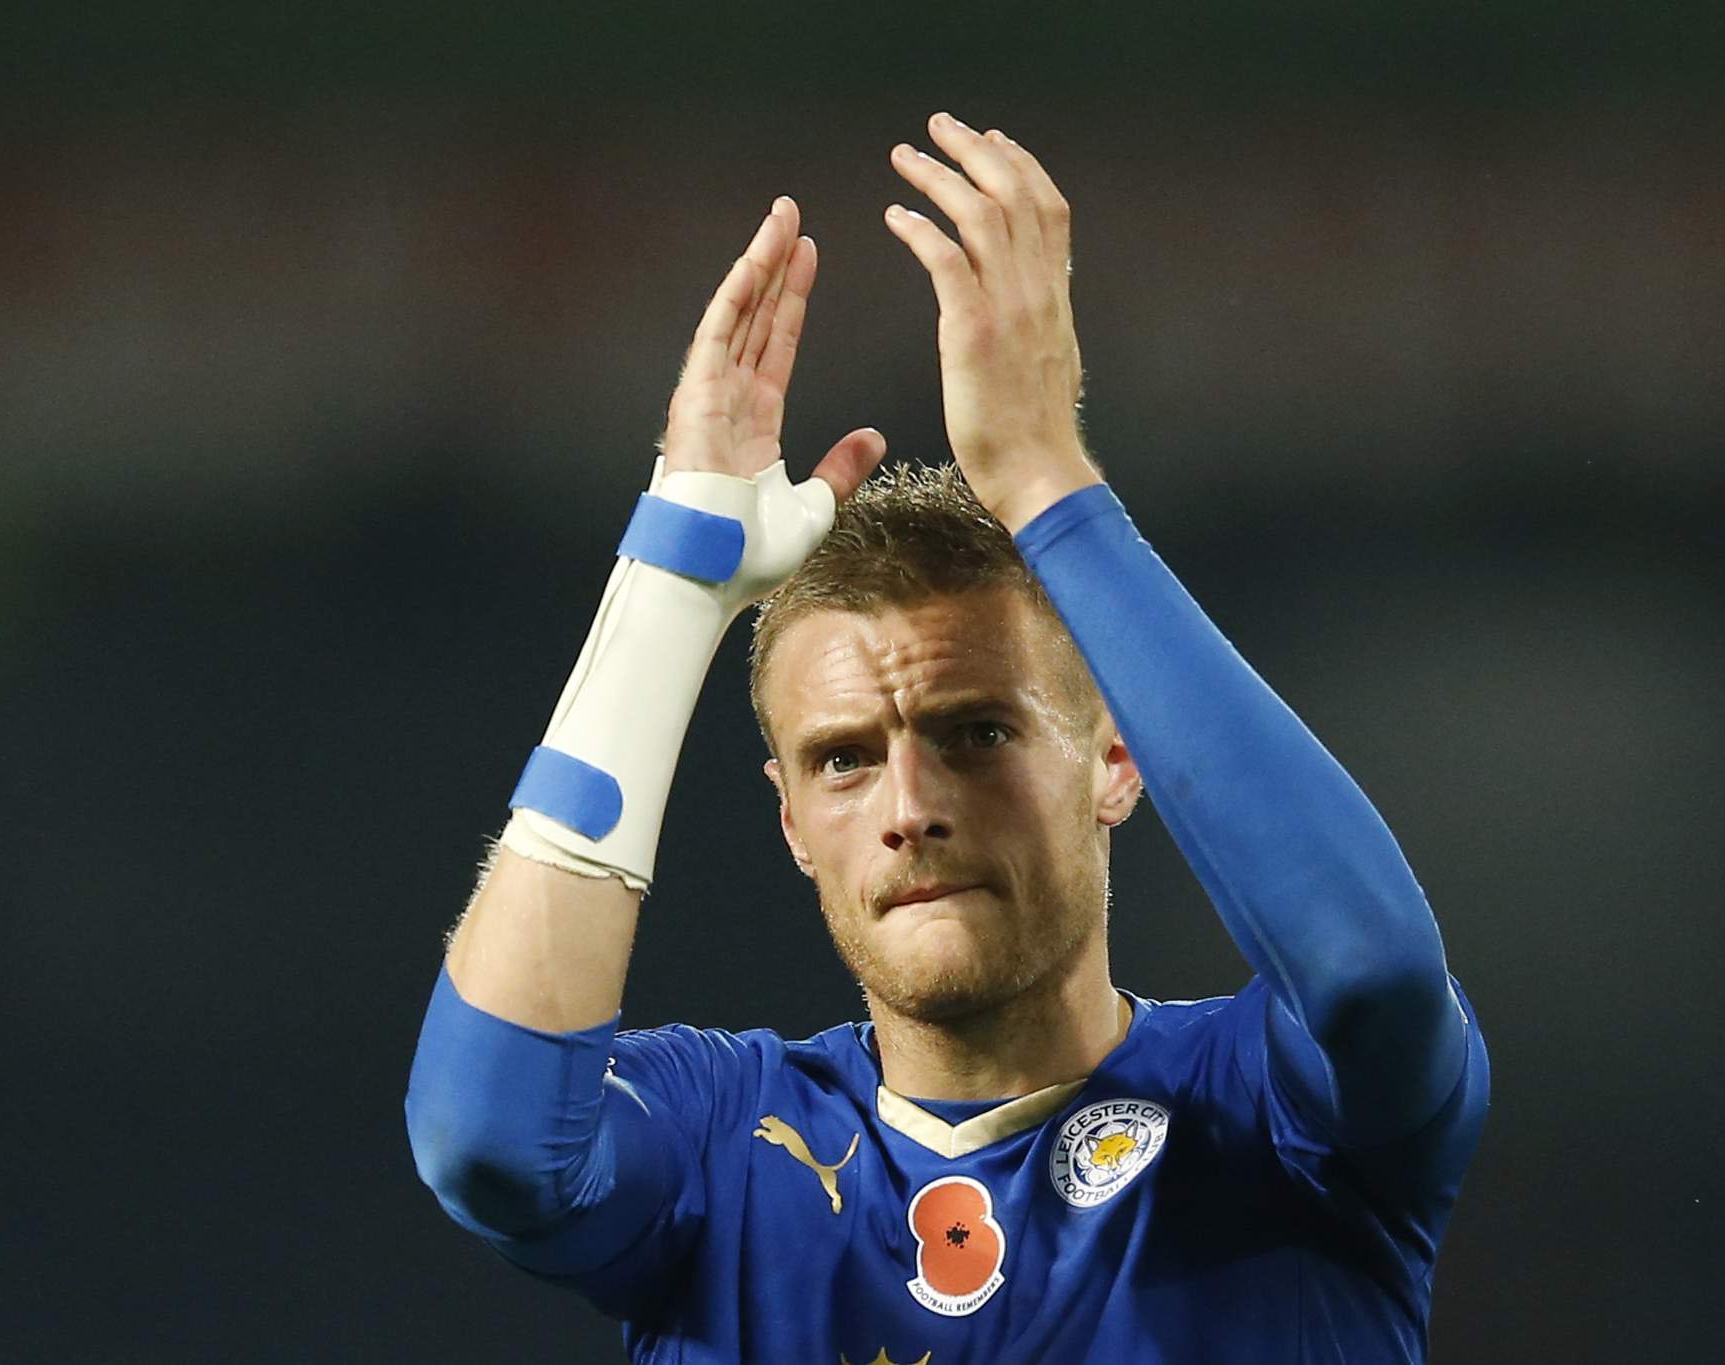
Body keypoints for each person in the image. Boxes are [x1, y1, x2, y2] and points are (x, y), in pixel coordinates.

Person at [405, 111, 1489, 1365]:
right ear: (788, 820)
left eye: (974, 733)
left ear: (1115, 761)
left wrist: (1044, 480)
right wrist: (673, 575)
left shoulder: (1270, 1115)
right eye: (842, 759)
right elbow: (487, 1143)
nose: (908, 805)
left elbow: (1366, 973)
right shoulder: (723, 1147)